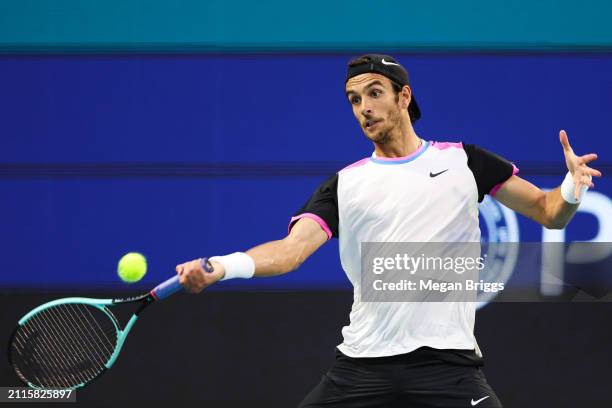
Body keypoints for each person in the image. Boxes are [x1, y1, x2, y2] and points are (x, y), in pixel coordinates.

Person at [175, 54, 601, 407]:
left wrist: (570, 187)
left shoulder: (464, 162)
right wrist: (223, 267)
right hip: (361, 368)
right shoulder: (344, 185)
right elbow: (290, 252)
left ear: (404, 97)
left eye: (374, 93)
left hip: (447, 367)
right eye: (354, 99)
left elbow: (549, 213)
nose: (364, 107)